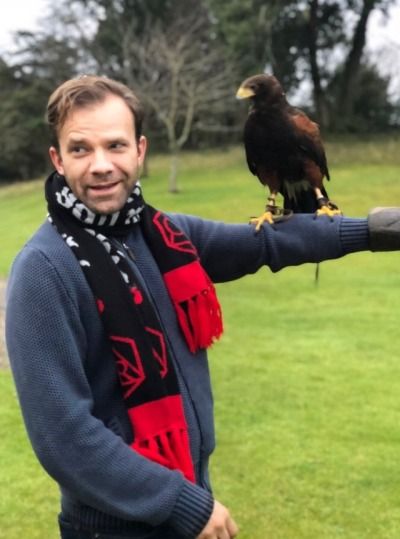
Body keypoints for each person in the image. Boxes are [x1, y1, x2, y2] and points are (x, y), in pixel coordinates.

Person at [5, 75, 400, 539]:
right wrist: (182, 503)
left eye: (115, 145)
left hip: (188, 499)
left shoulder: (164, 235)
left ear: (140, 151)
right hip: (115, 526)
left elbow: (267, 243)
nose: (101, 165)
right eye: (80, 149)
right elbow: (63, 436)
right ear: (56, 158)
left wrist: (375, 231)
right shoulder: (43, 269)